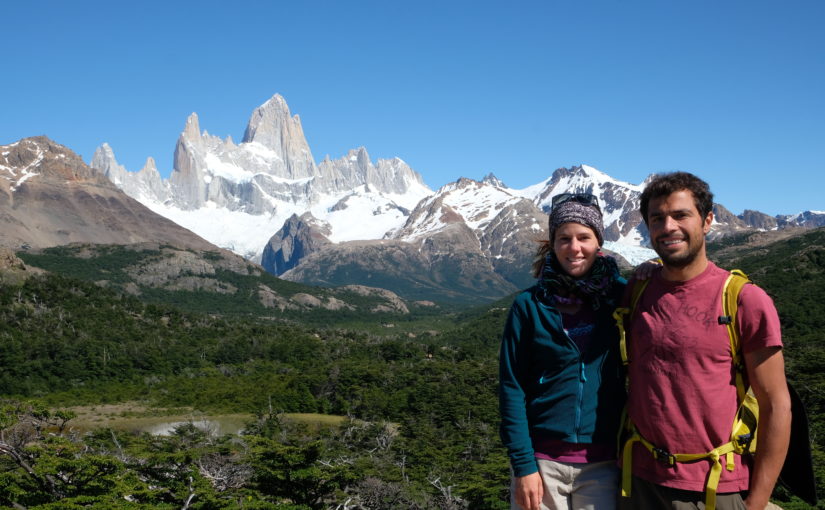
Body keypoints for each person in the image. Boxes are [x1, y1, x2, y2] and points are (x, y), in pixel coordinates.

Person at [620, 172, 791, 510]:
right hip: (637, 478)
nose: (668, 226)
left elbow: (777, 405)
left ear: (708, 220)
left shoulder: (745, 300)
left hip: (714, 486)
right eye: (657, 218)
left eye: (681, 215)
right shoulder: (637, 290)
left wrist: (757, 503)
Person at [499, 193, 627, 510]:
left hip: (605, 463)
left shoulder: (623, 297)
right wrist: (523, 466)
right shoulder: (528, 305)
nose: (574, 247)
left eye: (584, 237)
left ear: (599, 242)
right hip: (541, 464)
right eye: (564, 238)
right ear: (552, 244)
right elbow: (512, 387)